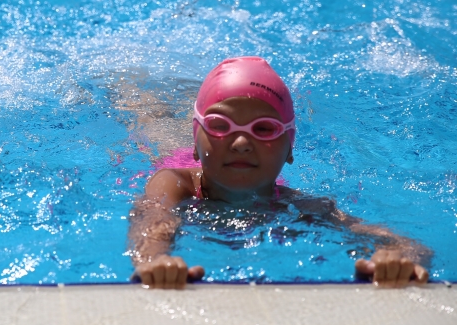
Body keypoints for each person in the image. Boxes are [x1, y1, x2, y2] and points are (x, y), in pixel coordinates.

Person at [128, 56, 431, 289]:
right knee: (152, 119)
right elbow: (153, 223)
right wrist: (155, 259)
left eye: (264, 129)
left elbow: (408, 246)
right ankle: (134, 88)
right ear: (197, 140)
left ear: (289, 150)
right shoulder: (173, 182)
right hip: (171, 153)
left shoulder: (301, 207)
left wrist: (399, 259)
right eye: (221, 125)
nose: (243, 142)